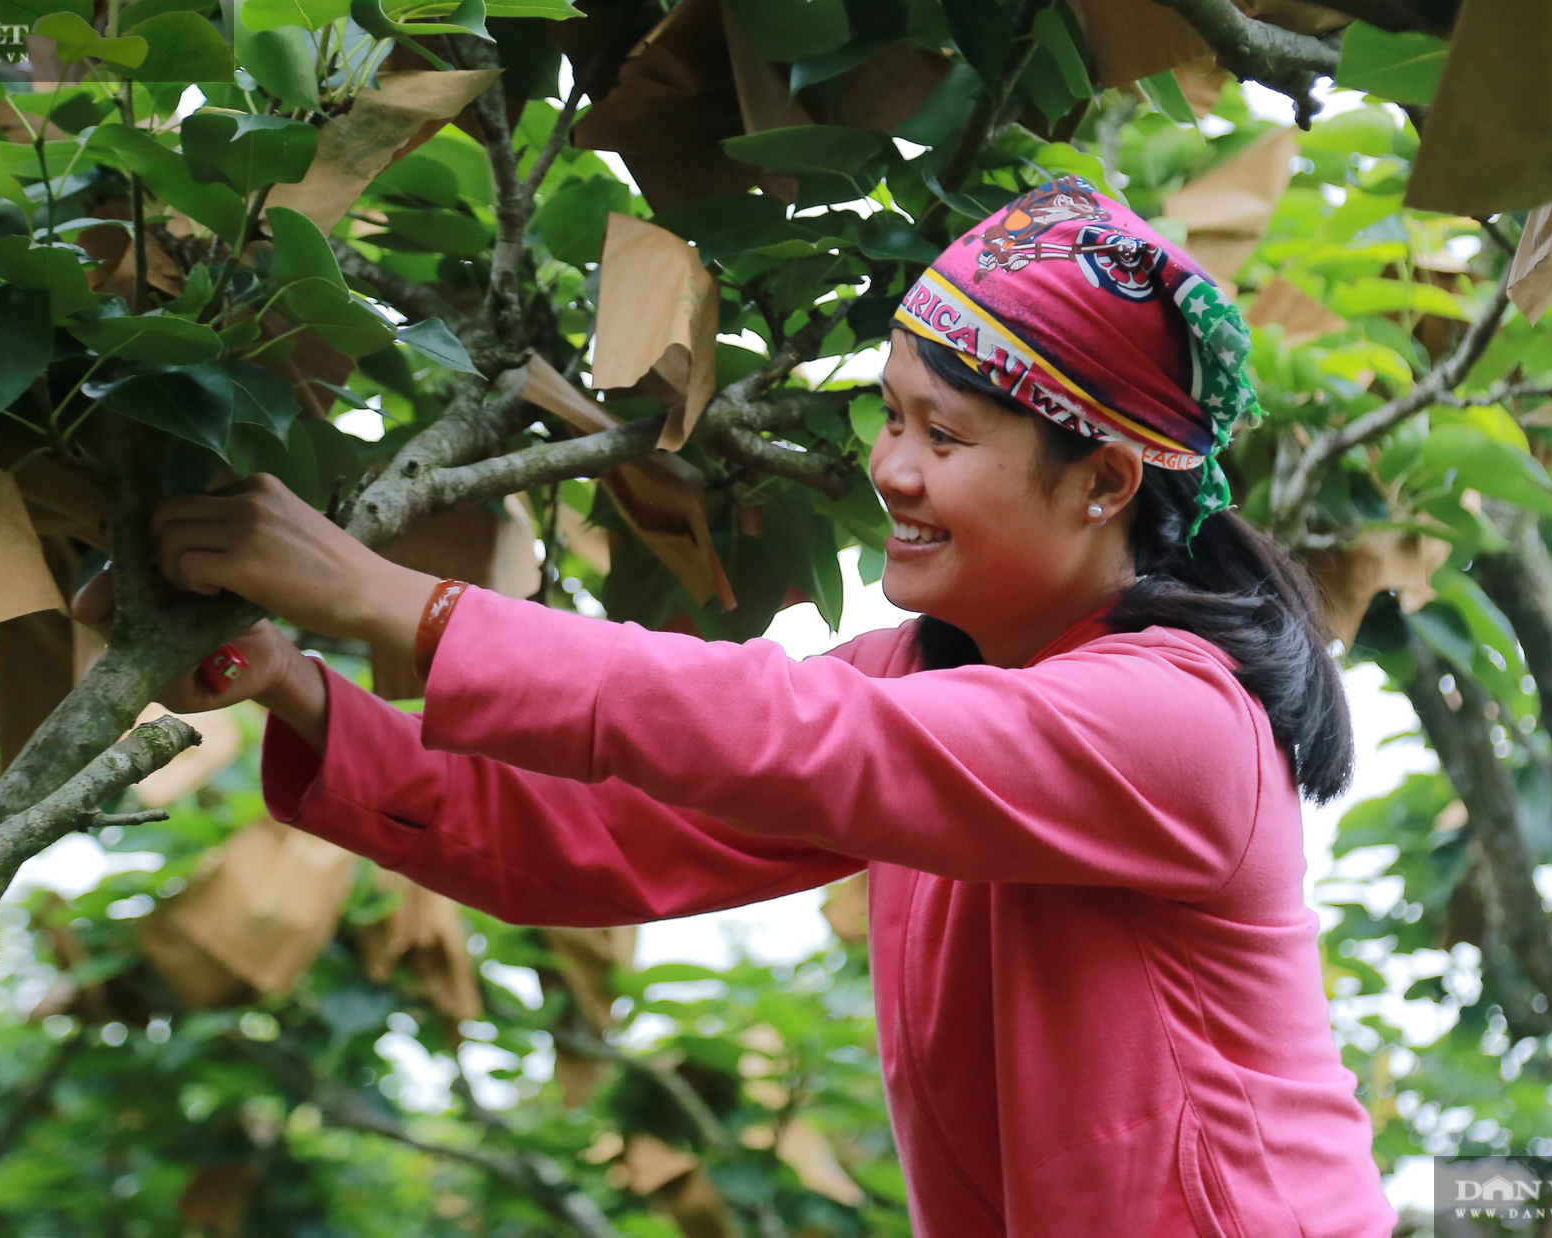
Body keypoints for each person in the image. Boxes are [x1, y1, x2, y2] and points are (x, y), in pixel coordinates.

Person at [140, 177, 1396, 1237]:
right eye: (889, 416)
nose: (891, 469)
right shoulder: (925, 681)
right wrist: (297, 687)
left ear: (1105, 479)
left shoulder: (1178, 722)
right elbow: (601, 825)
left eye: (943, 437)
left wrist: (396, 602)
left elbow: (796, 731)